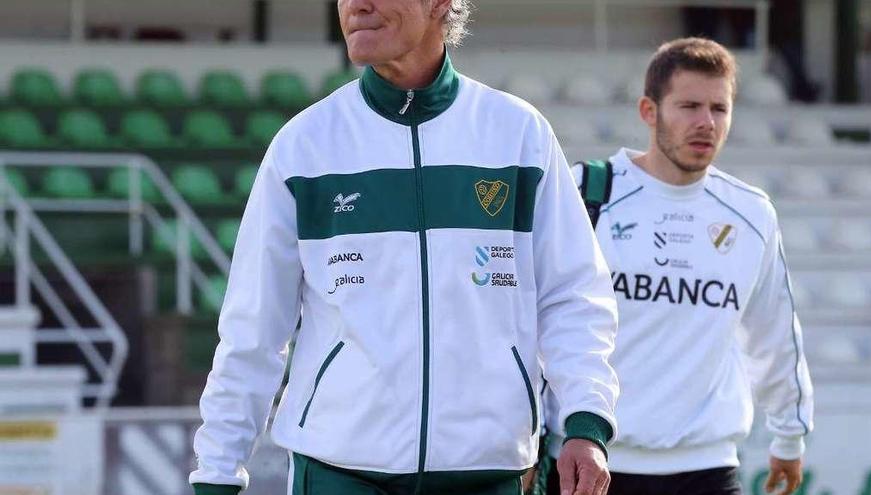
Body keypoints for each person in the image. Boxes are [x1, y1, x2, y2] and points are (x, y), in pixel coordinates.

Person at [189, 1, 620, 494]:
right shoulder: (303, 146)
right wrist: (217, 472)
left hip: (486, 474)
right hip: (337, 473)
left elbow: (573, 297)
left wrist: (586, 422)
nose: (356, 6)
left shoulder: (519, 135)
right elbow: (254, 328)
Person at [539, 38, 814, 495]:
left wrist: (790, 433)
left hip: (707, 467)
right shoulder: (587, 191)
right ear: (649, 111)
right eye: (688, 106)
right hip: (591, 460)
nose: (706, 123)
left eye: (719, 109)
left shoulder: (751, 213)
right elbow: (538, 321)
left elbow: (775, 333)